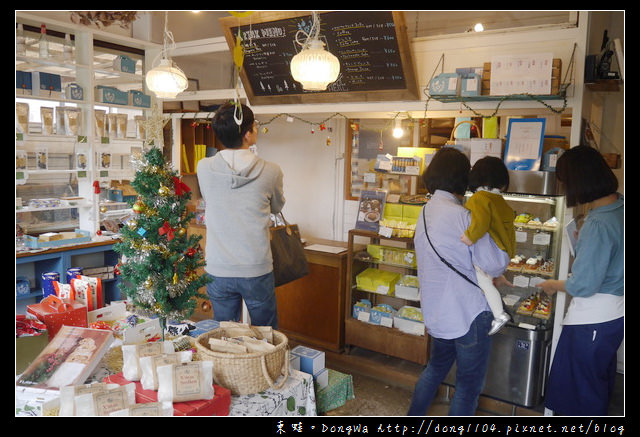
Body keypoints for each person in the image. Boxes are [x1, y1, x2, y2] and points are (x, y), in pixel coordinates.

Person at [407, 148, 510, 416]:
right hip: (468, 314)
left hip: (436, 313)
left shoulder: (425, 212)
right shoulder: (464, 217)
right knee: (467, 387)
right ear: (462, 178)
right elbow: (495, 263)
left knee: (434, 370)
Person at [536, 145, 623, 416]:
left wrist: (552, 285)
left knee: (580, 395)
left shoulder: (597, 224)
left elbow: (584, 285)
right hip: (614, 315)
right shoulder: (619, 207)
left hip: (590, 322)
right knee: (596, 384)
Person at [197, 102, 285, 329]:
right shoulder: (271, 170)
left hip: (218, 266)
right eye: (254, 127)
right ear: (247, 134)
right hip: (256, 265)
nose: (256, 130)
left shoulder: (204, 167)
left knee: (226, 334)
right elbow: (277, 207)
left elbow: (210, 198)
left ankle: (231, 366)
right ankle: (265, 365)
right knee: (266, 334)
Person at [460, 156, 515, 335]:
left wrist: (469, 236)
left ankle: (499, 314)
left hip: (492, 256)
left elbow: (480, 222)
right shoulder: (501, 201)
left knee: (482, 280)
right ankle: (497, 277)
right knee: (485, 276)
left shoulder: (480, 198)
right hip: (502, 254)